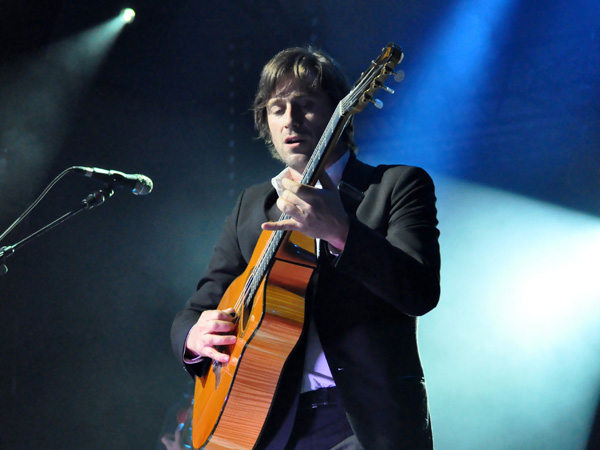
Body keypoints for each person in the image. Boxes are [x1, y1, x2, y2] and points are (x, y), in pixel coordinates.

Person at [170, 46, 441, 449]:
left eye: (305, 105)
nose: (289, 120)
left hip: (360, 425)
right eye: (276, 108)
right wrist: (194, 337)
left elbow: (419, 290)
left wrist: (341, 232)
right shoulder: (252, 204)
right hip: (264, 423)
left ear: (339, 112)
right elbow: (197, 307)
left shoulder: (397, 186)